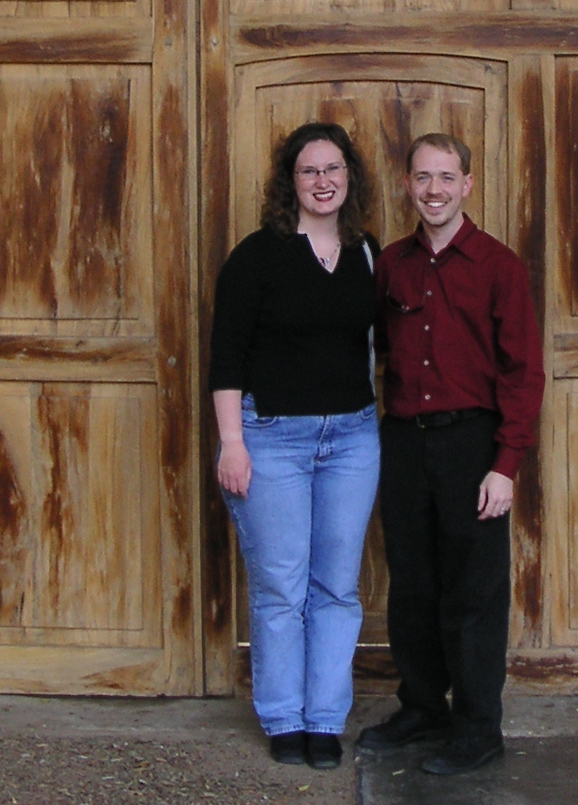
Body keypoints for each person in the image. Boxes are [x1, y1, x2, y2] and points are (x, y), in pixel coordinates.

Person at [357, 131, 545, 776]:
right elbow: (374, 346)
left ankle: (476, 725)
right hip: (405, 443)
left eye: (447, 178)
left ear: (467, 185)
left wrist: (505, 464)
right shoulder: (391, 264)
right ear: (407, 185)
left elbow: (524, 371)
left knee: (474, 590)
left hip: (473, 444)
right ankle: (422, 708)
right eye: (422, 178)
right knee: (412, 585)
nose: (434, 190)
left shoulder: (499, 266)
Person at [209, 122, 382, 770]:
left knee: (336, 587)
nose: (323, 181)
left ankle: (324, 718)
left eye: (333, 169)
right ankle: (283, 716)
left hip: (352, 440)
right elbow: (226, 358)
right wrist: (233, 443)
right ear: (291, 182)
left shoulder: (366, 254)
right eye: (310, 171)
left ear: (349, 178)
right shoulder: (256, 256)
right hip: (271, 440)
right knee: (281, 586)